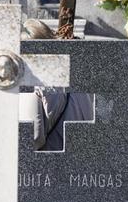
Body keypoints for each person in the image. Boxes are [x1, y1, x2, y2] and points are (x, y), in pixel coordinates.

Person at [18, 20, 94, 151]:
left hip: (53, 157)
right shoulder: (77, 77)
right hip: (84, 153)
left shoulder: (36, 87)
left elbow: (33, 138)